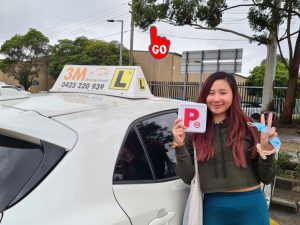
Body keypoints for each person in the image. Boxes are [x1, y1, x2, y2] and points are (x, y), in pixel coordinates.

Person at [172, 72, 278, 225]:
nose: (216, 99)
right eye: (210, 93)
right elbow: (188, 177)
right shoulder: (194, 132)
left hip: (252, 208)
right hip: (213, 210)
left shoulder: (249, 126)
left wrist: (267, 148)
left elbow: (267, 178)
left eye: (223, 93)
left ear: (234, 95)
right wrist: (179, 144)